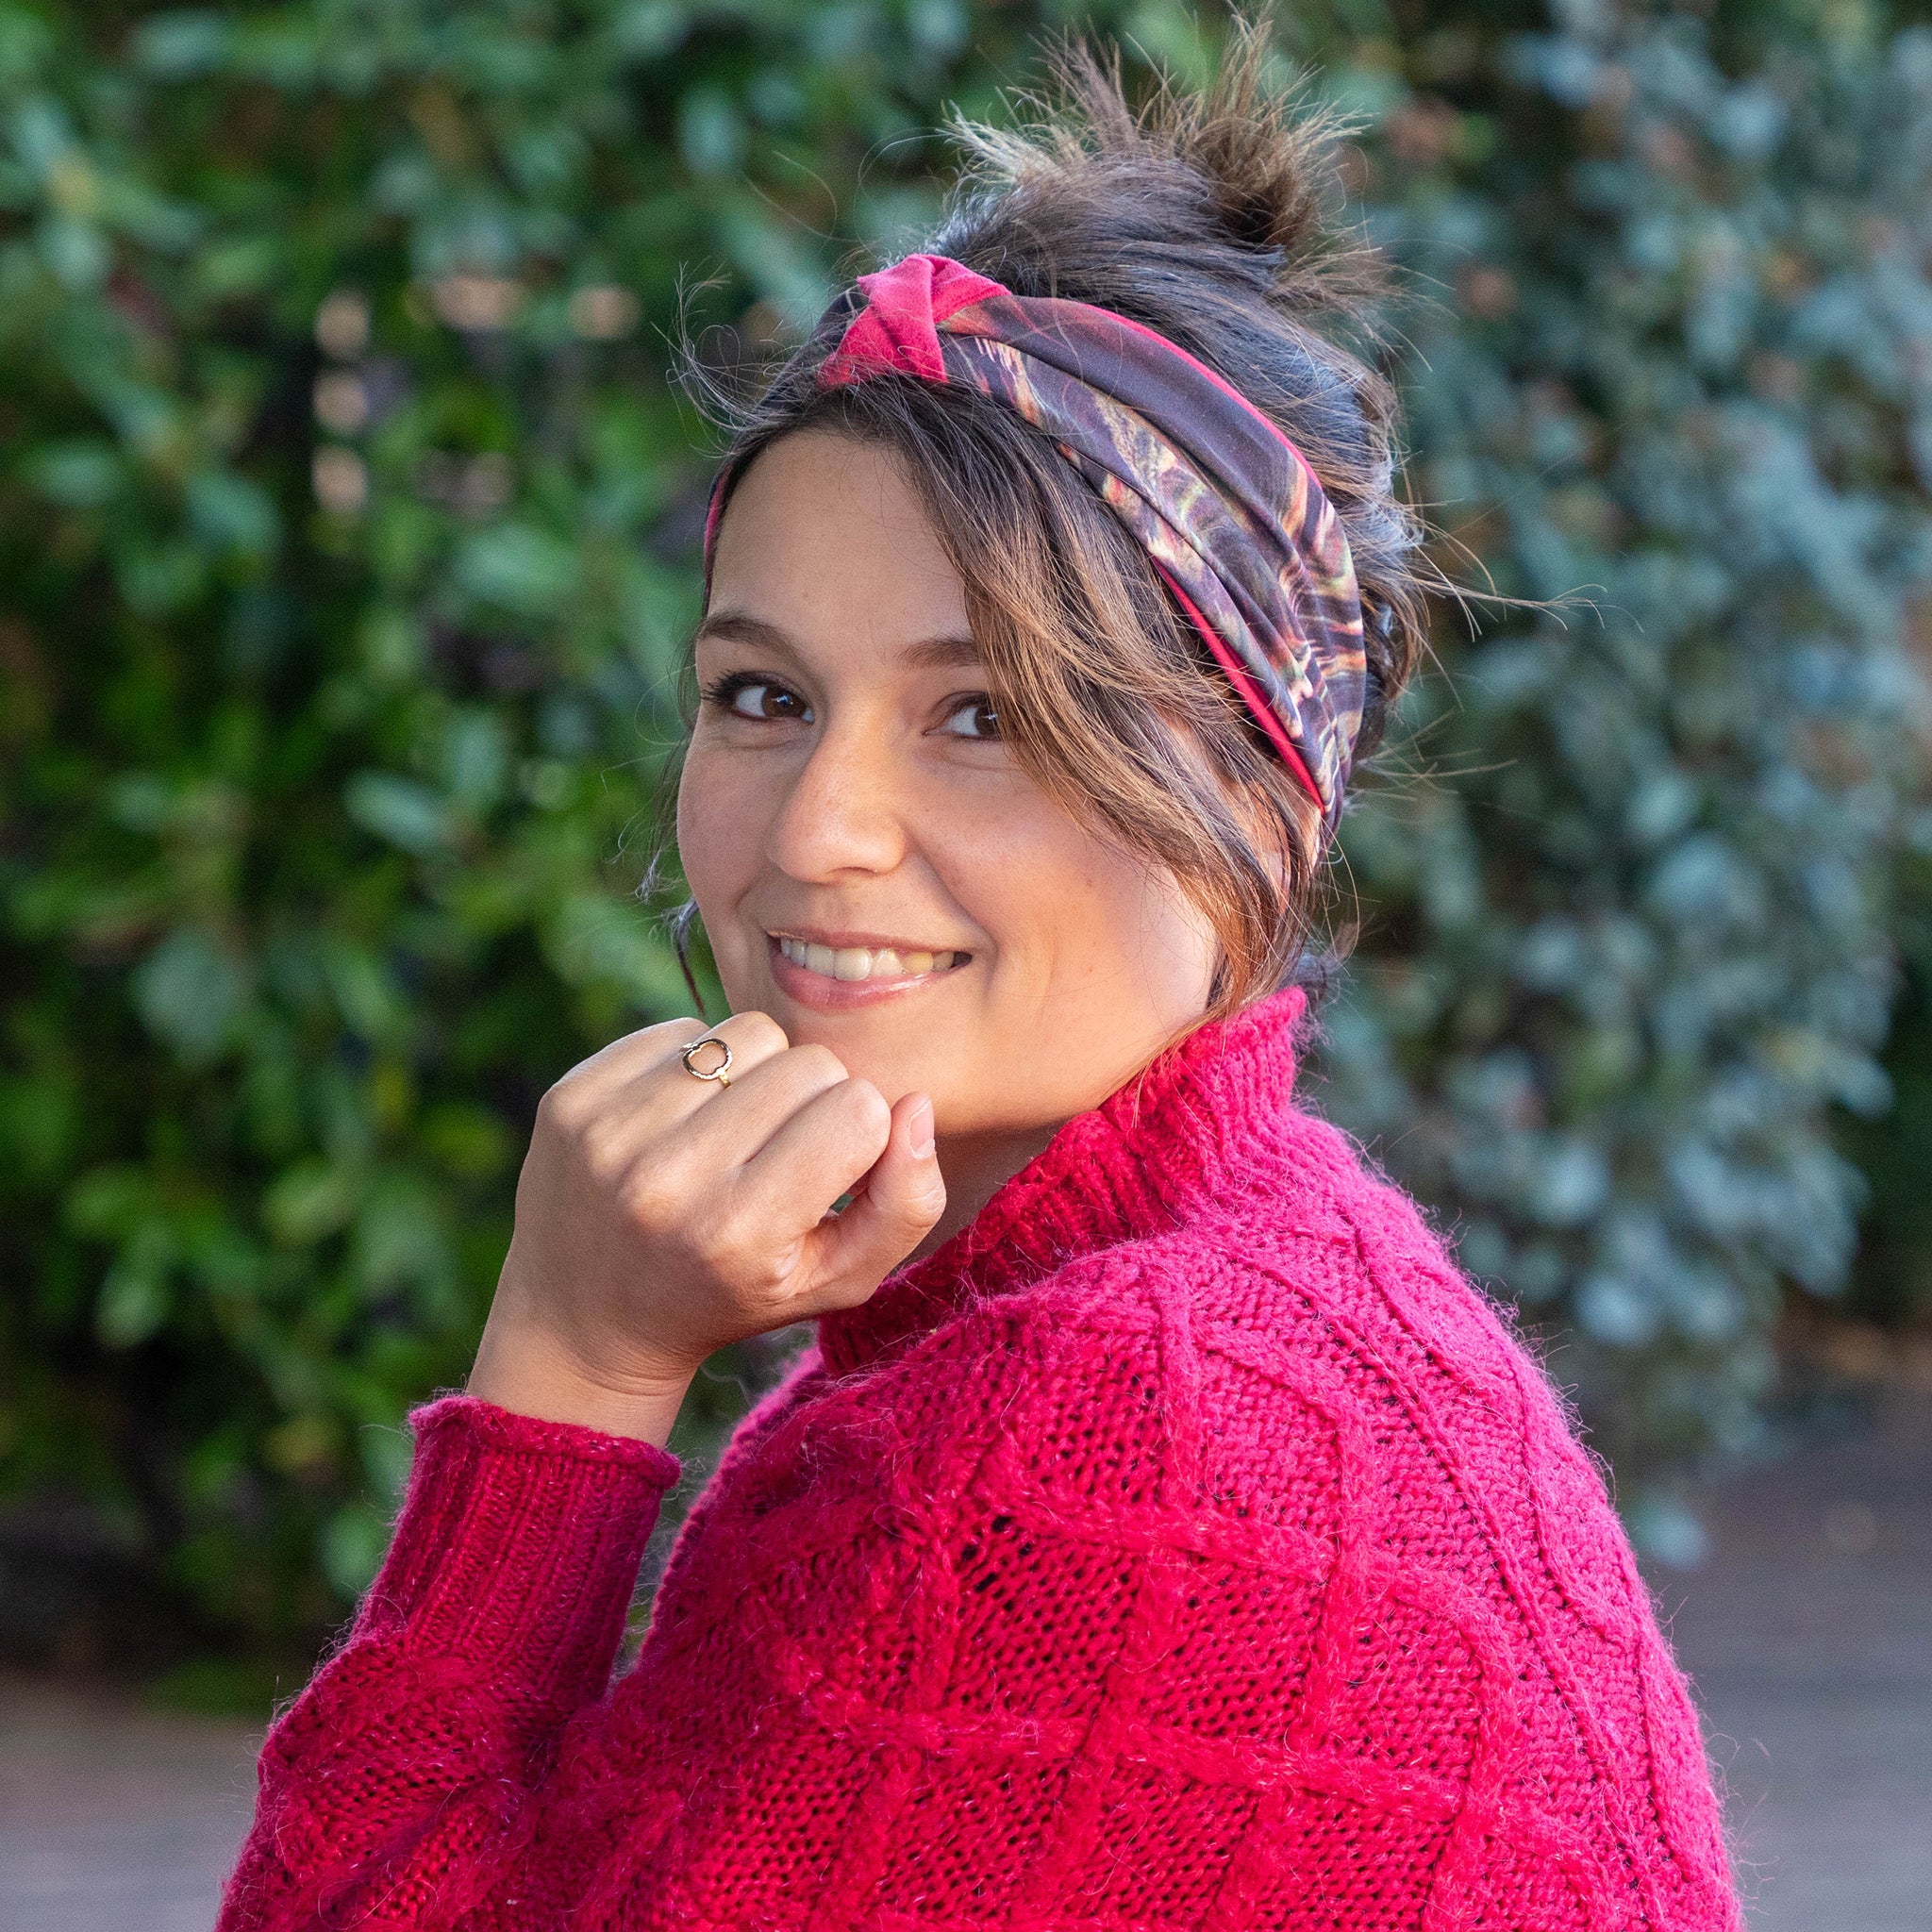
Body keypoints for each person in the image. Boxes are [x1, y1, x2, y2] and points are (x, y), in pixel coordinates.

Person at [217, 19, 1742, 1930]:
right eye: (760, 696)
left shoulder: (1116, 1440)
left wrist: (572, 1366)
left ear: (1264, 804)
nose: (816, 831)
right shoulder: (1265, 1290)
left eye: (986, 716)